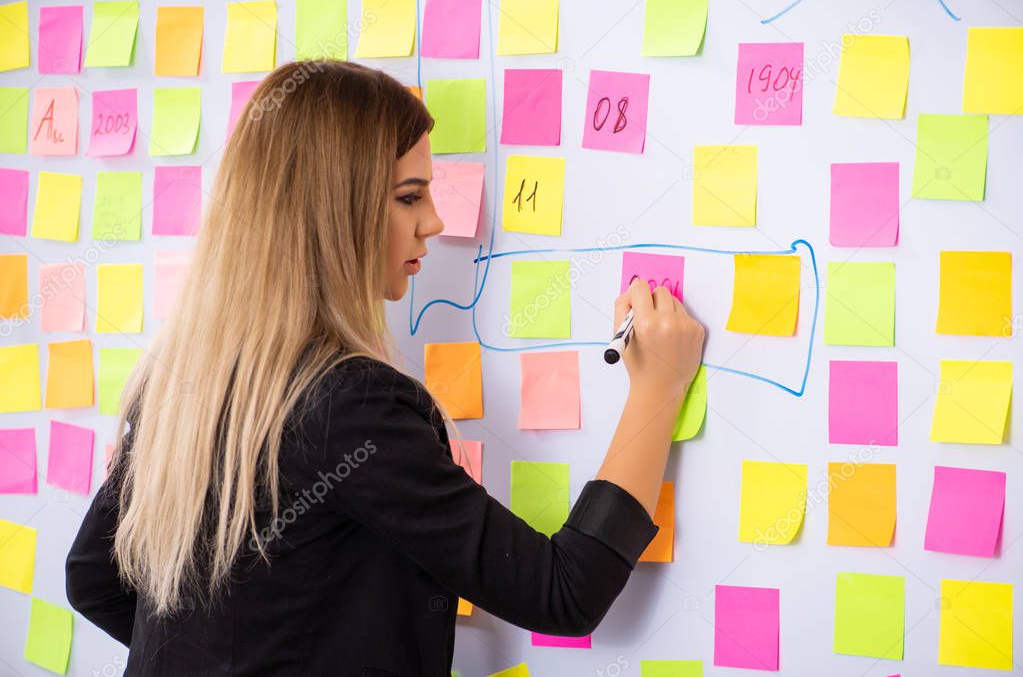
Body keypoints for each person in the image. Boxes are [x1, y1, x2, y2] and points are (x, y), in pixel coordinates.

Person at [65, 60, 705, 676]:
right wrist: (658, 387)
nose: (434, 222)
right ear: (329, 211)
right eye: (409, 196)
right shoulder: (349, 405)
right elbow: (564, 593)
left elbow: (94, 579)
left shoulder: (182, 383)